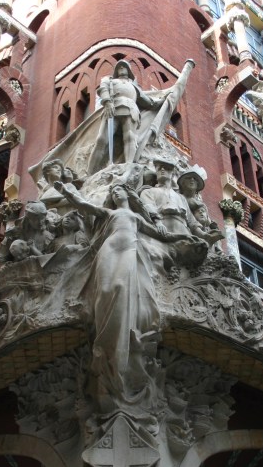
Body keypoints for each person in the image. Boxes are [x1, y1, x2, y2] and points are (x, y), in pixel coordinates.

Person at [53, 181, 200, 410]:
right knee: (104, 290)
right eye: (112, 191)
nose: (115, 192)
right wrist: (66, 192)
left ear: (127, 194)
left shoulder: (136, 217)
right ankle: (104, 340)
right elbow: (83, 205)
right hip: (110, 248)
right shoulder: (109, 212)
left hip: (130, 249)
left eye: (118, 189)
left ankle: (121, 346)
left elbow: (162, 235)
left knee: (123, 288)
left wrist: (184, 238)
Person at [95, 60, 164, 166]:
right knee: (101, 139)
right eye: (119, 67)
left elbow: (148, 102)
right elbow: (103, 89)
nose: (121, 68)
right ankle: (89, 171)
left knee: (130, 137)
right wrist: (107, 102)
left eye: (124, 66)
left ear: (129, 70)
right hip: (112, 109)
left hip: (131, 110)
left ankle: (128, 165)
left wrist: (162, 100)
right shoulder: (110, 80)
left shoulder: (134, 86)